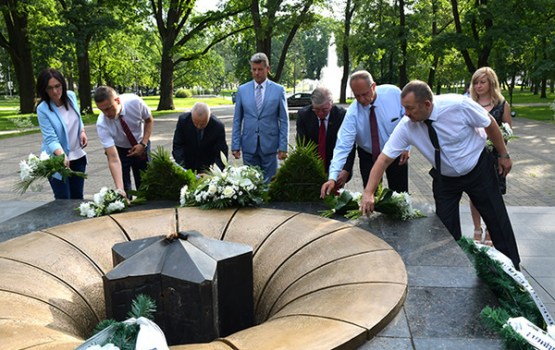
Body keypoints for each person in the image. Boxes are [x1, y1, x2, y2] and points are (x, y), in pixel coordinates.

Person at [357, 80, 521, 268]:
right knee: (444, 229)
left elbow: (489, 123)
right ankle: (454, 269)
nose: (406, 113)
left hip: (478, 169)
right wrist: (369, 192)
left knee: (497, 219)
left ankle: (513, 270)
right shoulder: (407, 125)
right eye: (404, 108)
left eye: (410, 108)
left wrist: (503, 154)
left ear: (427, 104)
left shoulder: (458, 105)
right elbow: (383, 159)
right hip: (445, 179)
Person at [321, 70, 409, 196]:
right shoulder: (352, 113)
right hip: (368, 154)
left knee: (400, 194)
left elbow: (407, 119)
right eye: (357, 96)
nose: (362, 100)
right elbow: (342, 145)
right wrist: (332, 178)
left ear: (373, 87)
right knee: (370, 195)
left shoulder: (394, 94)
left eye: (364, 94)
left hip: (396, 152)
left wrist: (406, 146)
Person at [468, 67, 513, 245]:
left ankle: (491, 229)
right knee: (474, 193)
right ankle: (477, 228)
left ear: (491, 83)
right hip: (473, 155)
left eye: (482, 82)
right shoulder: (469, 103)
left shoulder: (502, 104)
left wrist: (501, 151)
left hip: (495, 157)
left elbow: (508, 131)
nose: (478, 86)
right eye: (475, 82)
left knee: (493, 194)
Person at [231, 52, 289, 183]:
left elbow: (284, 120)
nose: (257, 73)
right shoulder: (242, 90)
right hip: (248, 145)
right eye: (254, 69)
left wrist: (283, 147)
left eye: (260, 69)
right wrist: (235, 145)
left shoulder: (279, 90)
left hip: (270, 145)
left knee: (269, 185)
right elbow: (237, 120)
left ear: (267, 69)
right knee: (249, 185)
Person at [36, 68, 88, 199]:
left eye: (57, 86)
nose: (54, 91)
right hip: (57, 161)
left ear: (63, 85)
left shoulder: (71, 96)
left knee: (77, 198)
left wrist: (82, 131)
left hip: (78, 157)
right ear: (44, 89)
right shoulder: (43, 109)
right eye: (49, 88)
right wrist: (62, 156)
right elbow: (50, 138)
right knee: (63, 200)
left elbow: (77, 117)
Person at [94, 86, 153, 198]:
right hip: (119, 149)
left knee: (145, 185)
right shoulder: (102, 123)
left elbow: (149, 120)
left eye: (108, 108)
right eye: (101, 110)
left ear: (117, 101)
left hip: (141, 143)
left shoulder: (135, 102)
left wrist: (143, 144)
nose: (106, 114)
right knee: (124, 189)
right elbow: (113, 158)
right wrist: (120, 189)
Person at [296, 86, 355, 188]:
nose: (320, 113)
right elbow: (302, 144)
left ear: (331, 103)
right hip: (313, 167)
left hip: (337, 165)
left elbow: (349, 145)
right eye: (316, 110)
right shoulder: (304, 115)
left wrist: (346, 170)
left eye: (324, 110)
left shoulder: (342, 116)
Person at [172, 102, 228, 173]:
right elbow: (178, 145)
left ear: (209, 116)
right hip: (187, 165)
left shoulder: (218, 126)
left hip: (208, 167)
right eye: (195, 123)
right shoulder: (183, 121)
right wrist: (182, 167)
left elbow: (221, 153)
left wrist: (213, 173)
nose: (198, 126)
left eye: (203, 124)